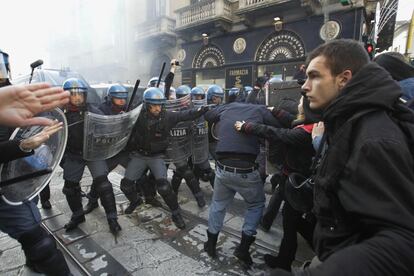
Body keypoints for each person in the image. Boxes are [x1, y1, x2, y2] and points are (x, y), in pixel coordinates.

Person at [270, 39, 414, 276]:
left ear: (344, 79)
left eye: (314, 76)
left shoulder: (373, 137)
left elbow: (402, 240)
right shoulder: (346, 122)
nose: (305, 87)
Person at [235, 96, 318, 271]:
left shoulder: (304, 132)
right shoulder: (311, 124)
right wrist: (275, 110)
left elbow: (276, 133)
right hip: (294, 178)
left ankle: (286, 262)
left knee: (290, 224)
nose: (299, 103)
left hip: (297, 184)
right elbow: (292, 120)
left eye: (302, 102)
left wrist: (247, 126)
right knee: (294, 221)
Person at [202, 101, 283, 267]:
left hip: (222, 168)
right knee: (256, 204)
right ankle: (243, 249)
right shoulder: (260, 109)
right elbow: (278, 128)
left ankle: (210, 244)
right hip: (246, 170)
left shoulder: (227, 107)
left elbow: (208, 115)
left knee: (218, 204)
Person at [120, 87, 209, 229]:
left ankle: (176, 213)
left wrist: (200, 111)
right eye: (154, 105)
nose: (157, 108)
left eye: (160, 105)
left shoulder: (168, 116)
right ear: (146, 105)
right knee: (125, 185)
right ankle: (135, 201)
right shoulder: (136, 115)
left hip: (156, 156)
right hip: (139, 155)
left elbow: (185, 115)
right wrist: (123, 118)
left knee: (164, 187)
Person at [60, 78, 121, 235]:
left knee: (103, 184)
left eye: (80, 94)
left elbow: (107, 129)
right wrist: (62, 158)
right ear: (66, 96)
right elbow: (56, 139)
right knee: (70, 188)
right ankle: (78, 216)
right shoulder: (60, 114)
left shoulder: (93, 111)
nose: (78, 97)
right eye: (73, 94)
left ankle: (112, 218)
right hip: (73, 155)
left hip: (93, 154)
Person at [169, 85, 206, 208]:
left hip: (188, 144)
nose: (185, 101)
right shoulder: (171, 108)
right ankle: (198, 196)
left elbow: (197, 122)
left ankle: (173, 191)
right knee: (185, 170)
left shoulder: (193, 107)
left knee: (181, 171)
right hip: (174, 144)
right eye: (182, 98)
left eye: (187, 98)